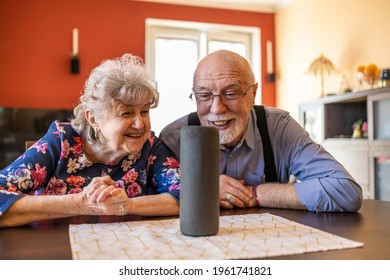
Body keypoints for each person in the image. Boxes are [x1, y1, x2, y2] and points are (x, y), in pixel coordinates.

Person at [160, 49, 362, 212]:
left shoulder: (279, 128)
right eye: (204, 96)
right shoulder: (174, 138)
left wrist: (252, 193)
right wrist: (204, 189)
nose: (216, 108)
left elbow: (345, 191)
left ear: (253, 93)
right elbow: (151, 199)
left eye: (230, 93)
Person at [0, 54, 180, 227]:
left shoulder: (150, 147)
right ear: (93, 119)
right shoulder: (61, 141)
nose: (140, 124)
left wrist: (127, 205)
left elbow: (190, 196)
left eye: (145, 111)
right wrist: (81, 202)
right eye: (126, 113)